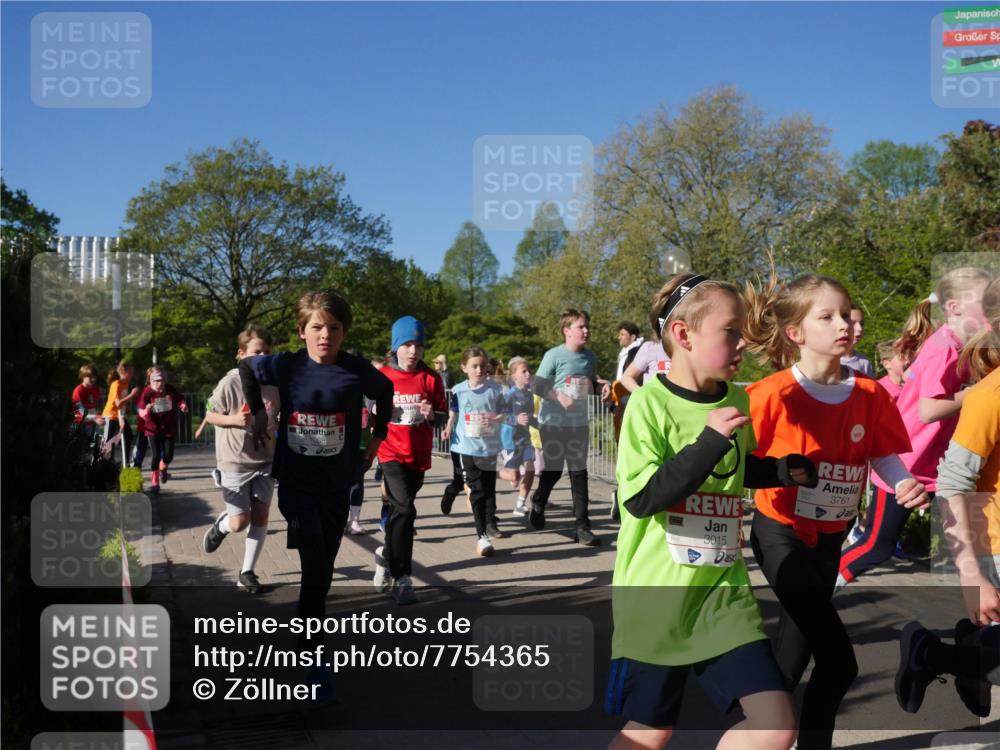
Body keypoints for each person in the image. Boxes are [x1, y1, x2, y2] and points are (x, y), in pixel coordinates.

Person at [607, 272, 812, 750]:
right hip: (657, 598)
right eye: (731, 331)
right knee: (651, 733)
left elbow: (735, 472)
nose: (744, 342)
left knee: (776, 726)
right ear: (683, 335)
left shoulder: (735, 399)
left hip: (723, 594)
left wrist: (780, 471)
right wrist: (709, 440)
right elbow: (642, 498)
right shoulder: (647, 406)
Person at [743, 272, 927, 750]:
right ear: (796, 333)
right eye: (827, 316)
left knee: (792, 656)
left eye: (845, 313)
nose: (844, 324)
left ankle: (760, 738)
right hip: (779, 532)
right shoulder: (770, 395)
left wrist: (903, 481)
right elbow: (737, 464)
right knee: (839, 661)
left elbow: (882, 454)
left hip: (831, 538)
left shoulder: (869, 393)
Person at [241, 289, 392, 699]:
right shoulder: (287, 365)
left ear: (344, 333)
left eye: (334, 328)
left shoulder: (358, 370)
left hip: (337, 483)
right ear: (302, 331)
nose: (325, 335)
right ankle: (313, 656)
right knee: (314, 563)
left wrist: (376, 441)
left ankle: (308, 634)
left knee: (321, 573)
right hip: (296, 482)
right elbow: (246, 369)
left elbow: (386, 393)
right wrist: (256, 411)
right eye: (317, 327)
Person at [839, 267, 992, 587]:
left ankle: (984, 621)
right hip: (902, 464)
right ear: (955, 308)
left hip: (935, 469)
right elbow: (929, 409)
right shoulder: (945, 346)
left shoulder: (962, 346)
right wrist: (979, 392)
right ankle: (817, 590)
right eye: (984, 299)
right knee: (876, 545)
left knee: (974, 545)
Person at [895, 277, 1000, 718]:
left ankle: (955, 654)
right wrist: (972, 573)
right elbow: (954, 484)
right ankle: (945, 653)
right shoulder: (991, 393)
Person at [201, 326, 281, 594]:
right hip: (234, 461)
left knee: (260, 515)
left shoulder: (274, 384)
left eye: (267, 353)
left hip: (265, 461)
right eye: (257, 352)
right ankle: (222, 525)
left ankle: (247, 572)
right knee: (239, 522)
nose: (263, 358)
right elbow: (210, 415)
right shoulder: (231, 382)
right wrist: (233, 420)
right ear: (241, 354)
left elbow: (277, 416)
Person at [373, 316, 447, 604]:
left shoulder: (431, 378)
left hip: (418, 456)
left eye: (418, 345)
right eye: (407, 345)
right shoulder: (382, 377)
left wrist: (430, 414)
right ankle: (402, 578)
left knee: (399, 514)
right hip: (390, 453)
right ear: (395, 347)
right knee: (405, 509)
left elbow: (440, 418)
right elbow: (368, 414)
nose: (413, 351)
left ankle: (385, 556)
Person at [529, 309, 611, 546]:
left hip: (578, 424)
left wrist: (601, 387)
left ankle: (583, 527)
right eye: (581, 327)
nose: (586, 331)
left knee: (579, 472)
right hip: (552, 423)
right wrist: (559, 397)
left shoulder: (590, 358)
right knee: (553, 469)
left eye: (587, 327)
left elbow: (590, 383)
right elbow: (539, 386)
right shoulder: (554, 355)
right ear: (567, 331)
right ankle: (539, 500)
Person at [441, 347, 508, 556]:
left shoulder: (495, 390)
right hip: (464, 445)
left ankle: (487, 521)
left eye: (482, 366)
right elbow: (454, 410)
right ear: (464, 368)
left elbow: (504, 413)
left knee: (487, 488)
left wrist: (494, 419)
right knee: (475, 488)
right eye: (474, 366)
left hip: (487, 446)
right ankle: (482, 538)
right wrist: (449, 426)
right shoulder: (459, 389)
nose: (479, 370)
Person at [137, 367, 188, 494]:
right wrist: (147, 410)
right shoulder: (147, 392)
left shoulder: (169, 389)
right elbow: (140, 411)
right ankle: (155, 482)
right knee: (155, 455)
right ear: (151, 381)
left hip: (168, 427)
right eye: (157, 381)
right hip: (152, 428)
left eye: (162, 380)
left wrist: (183, 405)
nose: (160, 384)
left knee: (168, 455)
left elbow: (180, 398)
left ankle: (163, 467)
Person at [499, 357, 537, 517]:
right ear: (514, 376)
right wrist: (515, 419)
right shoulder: (509, 395)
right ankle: (486, 474)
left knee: (530, 469)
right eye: (524, 371)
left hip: (525, 440)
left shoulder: (529, 395)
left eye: (529, 371)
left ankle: (520, 504)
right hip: (510, 441)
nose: (528, 374)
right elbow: (499, 416)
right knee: (514, 477)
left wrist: (543, 426)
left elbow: (529, 417)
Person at [102, 360, 139, 466]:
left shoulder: (126, 384)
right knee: (108, 440)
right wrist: (131, 395)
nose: (132, 375)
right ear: (123, 372)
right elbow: (117, 403)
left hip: (119, 416)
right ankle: (104, 462)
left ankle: (126, 461)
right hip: (111, 415)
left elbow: (123, 403)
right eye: (130, 373)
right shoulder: (116, 384)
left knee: (128, 436)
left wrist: (127, 407)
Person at [71, 364, 105, 446]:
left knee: (101, 444)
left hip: (93, 424)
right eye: (90, 377)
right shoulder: (78, 391)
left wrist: (100, 417)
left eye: (95, 377)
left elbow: (96, 408)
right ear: (83, 377)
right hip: (80, 425)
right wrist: (95, 418)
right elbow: (80, 414)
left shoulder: (96, 389)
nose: (93, 379)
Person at [840, 305, 875, 377]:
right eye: (852, 323)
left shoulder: (864, 361)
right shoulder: (826, 360)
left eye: (861, 324)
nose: (860, 328)